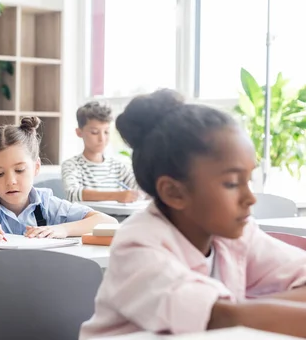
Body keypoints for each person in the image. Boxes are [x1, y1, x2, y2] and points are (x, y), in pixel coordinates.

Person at [79, 89, 306, 339]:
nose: (250, 198)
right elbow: (221, 318)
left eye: (248, 180)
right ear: (174, 192)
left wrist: (249, 310)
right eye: (232, 183)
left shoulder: (237, 234)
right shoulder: (136, 245)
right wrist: (248, 311)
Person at [0, 117, 116, 242]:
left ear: (36, 167)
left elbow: (107, 221)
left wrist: (63, 230)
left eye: (19, 170)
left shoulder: (47, 204)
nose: (10, 181)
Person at [61, 101, 140, 203]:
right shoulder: (71, 165)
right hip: (88, 219)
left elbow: (139, 192)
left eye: (106, 132)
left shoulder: (119, 167)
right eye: (94, 132)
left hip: (119, 218)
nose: (102, 138)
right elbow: (73, 194)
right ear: (79, 132)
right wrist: (117, 195)